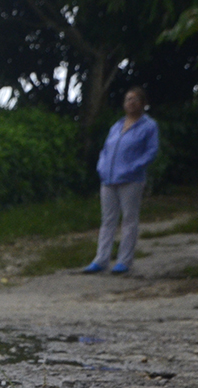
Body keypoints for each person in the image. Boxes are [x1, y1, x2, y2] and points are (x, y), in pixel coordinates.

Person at [84, 86, 160, 275]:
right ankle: (101, 260)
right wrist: (101, 166)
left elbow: (151, 152)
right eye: (128, 99)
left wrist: (132, 168)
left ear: (143, 103)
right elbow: (106, 150)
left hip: (131, 180)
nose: (131, 103)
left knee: (129, 219)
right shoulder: (117, 125)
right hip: (108, 179)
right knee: (107, 220)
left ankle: (124, 261)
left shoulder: (148, 126)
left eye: (135, 99)